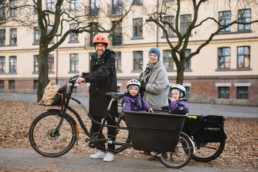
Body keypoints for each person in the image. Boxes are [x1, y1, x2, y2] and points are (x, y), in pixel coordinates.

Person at [76, 34, 118, 162]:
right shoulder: (93, 57)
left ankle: (110, 151)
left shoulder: (110, 57)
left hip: (108, 95)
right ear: (95, 47)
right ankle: (101, 149)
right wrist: (84, 74)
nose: (100, 48)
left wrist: (85, 78)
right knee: (95, 124)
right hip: (95, 95)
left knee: (110, 124)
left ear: (105, 46)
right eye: (97, 46)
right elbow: (95, 73)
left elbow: (102, 72)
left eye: (102, 46)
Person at [139, 47, 170, 160]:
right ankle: (148, 148)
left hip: (157, 104)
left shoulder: (161, 70)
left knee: (157, 129)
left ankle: (161, 153)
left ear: (158, 57)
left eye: (154, 55)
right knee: (148, 127)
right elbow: (142, 80)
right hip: (148, 102)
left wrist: (144, 86)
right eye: (151, 55)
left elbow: (158, 88)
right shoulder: (148, 67)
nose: (152, 57)